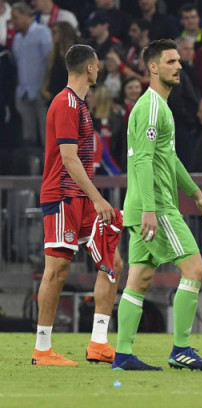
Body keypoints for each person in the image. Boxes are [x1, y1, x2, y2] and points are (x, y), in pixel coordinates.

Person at [113, 39, 202, 372]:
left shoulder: (158, 106)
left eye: (179, 61)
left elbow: (168, 158)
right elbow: (143, 160)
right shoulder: (152, 107)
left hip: (141, 206)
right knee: (194, 269)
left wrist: (196, 194)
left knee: (139, 279)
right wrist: (150, 209)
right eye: (171, 61)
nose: (179, 66)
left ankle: (123, 355)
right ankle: (182, 349)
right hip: (155, 207)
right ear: (153, 67)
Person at [33, 44, 123, 366]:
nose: (99, 70)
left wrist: (92, 198)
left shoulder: (80, 105)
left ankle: (98, 343)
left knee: (113, 263)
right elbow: (69, 159)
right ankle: (42, 350)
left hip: (82, 199)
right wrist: (98, 198)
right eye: (97, 65)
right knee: (57, 270)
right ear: (89, 68)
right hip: (62, 196)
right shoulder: (65, 103)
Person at [12, 2, 52, 147]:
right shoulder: (17, 39)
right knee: (28, 136)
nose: (13, 22)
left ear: (26, 15)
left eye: (16, 17)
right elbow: (18, 64)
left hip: (41, 91)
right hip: (24, 92)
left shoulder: (42, 32)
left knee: (46, 133)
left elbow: (50, 61)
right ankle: (31, 161)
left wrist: (46, 87)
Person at [41, 21, 78, 105]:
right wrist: (44, 90)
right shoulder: (53, 55)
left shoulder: (74, 54)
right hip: (53, 99)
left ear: (63, 34)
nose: (52, 35)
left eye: (54, 32)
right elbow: (48, 75)